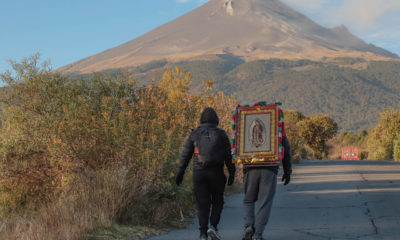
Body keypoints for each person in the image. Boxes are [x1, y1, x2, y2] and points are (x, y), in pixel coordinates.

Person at [176, 107, 236, 240]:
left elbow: (186, 155)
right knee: (218, 201)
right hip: (216, 173)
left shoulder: (195, 134)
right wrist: (232, 173)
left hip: (199, 173)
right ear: (216, 119)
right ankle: (213, 226)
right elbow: (228, 156)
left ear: (201, 119)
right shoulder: (221, 134)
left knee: (202, 204)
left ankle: (203, 233)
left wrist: (180, 172)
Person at [242, 136, 292, 240]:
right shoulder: (276, 127)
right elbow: (286, 151)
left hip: (251, 167)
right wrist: (287, 171)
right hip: (269, 168)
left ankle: (249, 226)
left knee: (248, 200)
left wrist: (244, 170)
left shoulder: (248, 124)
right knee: (264, 203)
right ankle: (257, 235)